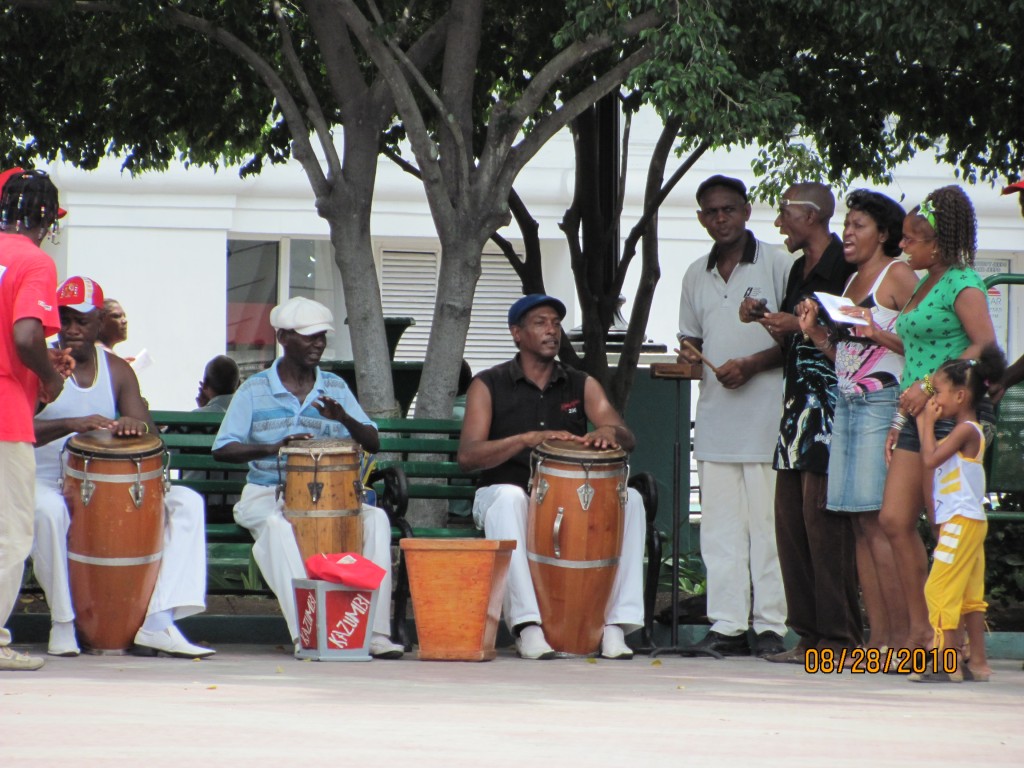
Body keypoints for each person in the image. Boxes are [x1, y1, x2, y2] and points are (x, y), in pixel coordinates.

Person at [211, 296, 404, 659]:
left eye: (322, 336)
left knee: (377, 519)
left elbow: (373, 442)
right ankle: (309, 632)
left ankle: (373, 633)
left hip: (332, 497)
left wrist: (343, 417)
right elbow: (223, 448)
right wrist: (274, 447)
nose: (318, 343)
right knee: (277, 527)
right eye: (309, 336)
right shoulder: (253, 389)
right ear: (283, 337)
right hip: (267, 491)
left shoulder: (334, 387)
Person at [32, 276, 213, 658]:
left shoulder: (116, 370)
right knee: (48, 513)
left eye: (82, 320)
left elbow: (152, 436)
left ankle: (159, 622)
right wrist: (70, 422)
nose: (72, 329)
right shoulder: (41, 364)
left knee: (187, 503)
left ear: (100, 323)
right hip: (45, 480)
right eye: (65, 320)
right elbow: (19, 430)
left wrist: (134, 425)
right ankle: (62, 622)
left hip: (106, 486)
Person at [458, 294, 644, 661]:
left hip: (567, 501)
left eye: (556, 323)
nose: (552, 330)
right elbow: (468, 456)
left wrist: (608, 432)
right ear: (517, 333)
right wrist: (525, 439)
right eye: (541, 323)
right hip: (503, 495)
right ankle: (527, 626)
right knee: (510, 498)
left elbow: (627, 436)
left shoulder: (580, 383)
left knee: (633, 499)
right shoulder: (488, 384)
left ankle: (615, 625)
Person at [795, 191, 918, 653]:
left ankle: (905, 638)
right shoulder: (848, 283)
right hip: (847, 403)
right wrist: (816, 335)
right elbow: (848, 357)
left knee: (878, 522)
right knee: (859, 525)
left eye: (858, 225)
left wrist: (877, 331)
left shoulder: (898, 275)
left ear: (883, 234)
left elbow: (922, 345)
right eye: (846, 224)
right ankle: (879, 638)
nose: (847, 233)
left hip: (881, 403)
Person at [676, 175, 790, 658]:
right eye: (711, 211)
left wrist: (752, 364)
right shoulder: (694, 274)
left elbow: (800, 340)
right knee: (720, 532)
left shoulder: (779, 263)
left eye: (729, 209)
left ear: (746, 210)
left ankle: (770, 627)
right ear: (701, 217)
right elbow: (691, 339)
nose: (720, 218)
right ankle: (726, 625)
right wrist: (688, 355)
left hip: (768, 421)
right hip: (716, 420)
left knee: (768, 529)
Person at [881, 185, 997, 652]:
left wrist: (930, 386)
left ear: (939, 242)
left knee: (944, 526)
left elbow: (983, 345)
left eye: (912, 238)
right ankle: (921, 630)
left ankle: (953, 640)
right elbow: (917, 349)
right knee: (894, 520)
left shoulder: (963, 283)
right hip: (916, 414)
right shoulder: (923, 281)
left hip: (951, 413)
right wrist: (899, 420)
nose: (903, 245)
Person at [751, 182, 862, 664]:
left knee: (825, 528)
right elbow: (793, 341)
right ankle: (809, 636)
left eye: (785, 213)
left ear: (811, 216)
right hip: (797, 411)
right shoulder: (798, 269)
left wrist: (799, 327)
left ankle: (838, 637)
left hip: (832, 410)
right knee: (791, 526)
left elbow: (856, 335)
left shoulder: (849, 268)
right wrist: (769, 321)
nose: (779, 223)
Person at [0, 168, 68, 672]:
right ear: (45, 219)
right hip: (4, 416)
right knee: (10, 532)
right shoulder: (34, 260)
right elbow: (25, 336)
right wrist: (49, 377)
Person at [911, 346, 1007, 683]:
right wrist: (927, 422)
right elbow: (935, 455)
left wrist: (927, 422)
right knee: (968, 595)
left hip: (960, 522)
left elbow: (929, 459)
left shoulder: (966, 430)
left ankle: (944, 662)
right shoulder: (966, 429)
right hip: (970, 521)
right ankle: (977, 662)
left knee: (938, 589)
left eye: (938, 392)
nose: (934, 398)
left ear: (961, 395)